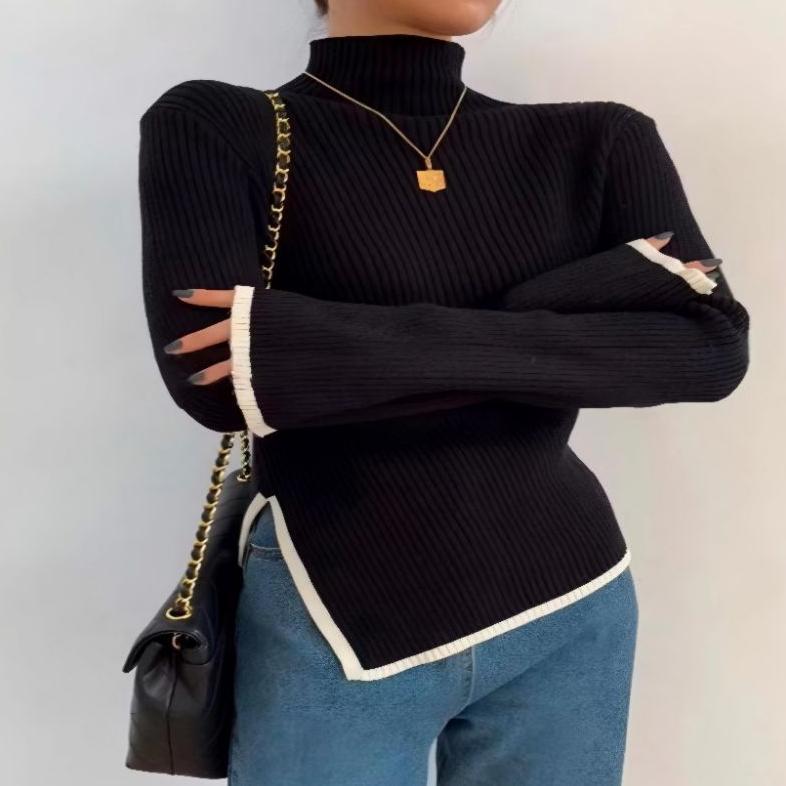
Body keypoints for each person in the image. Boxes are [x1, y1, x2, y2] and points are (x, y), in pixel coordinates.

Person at [137, 1, 750, 784]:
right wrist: (569, 307)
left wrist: (315, 342)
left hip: (573, 599)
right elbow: (221, 386)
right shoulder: (218, 126)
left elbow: (710, 349)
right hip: (334, 609)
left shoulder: (599, 141)